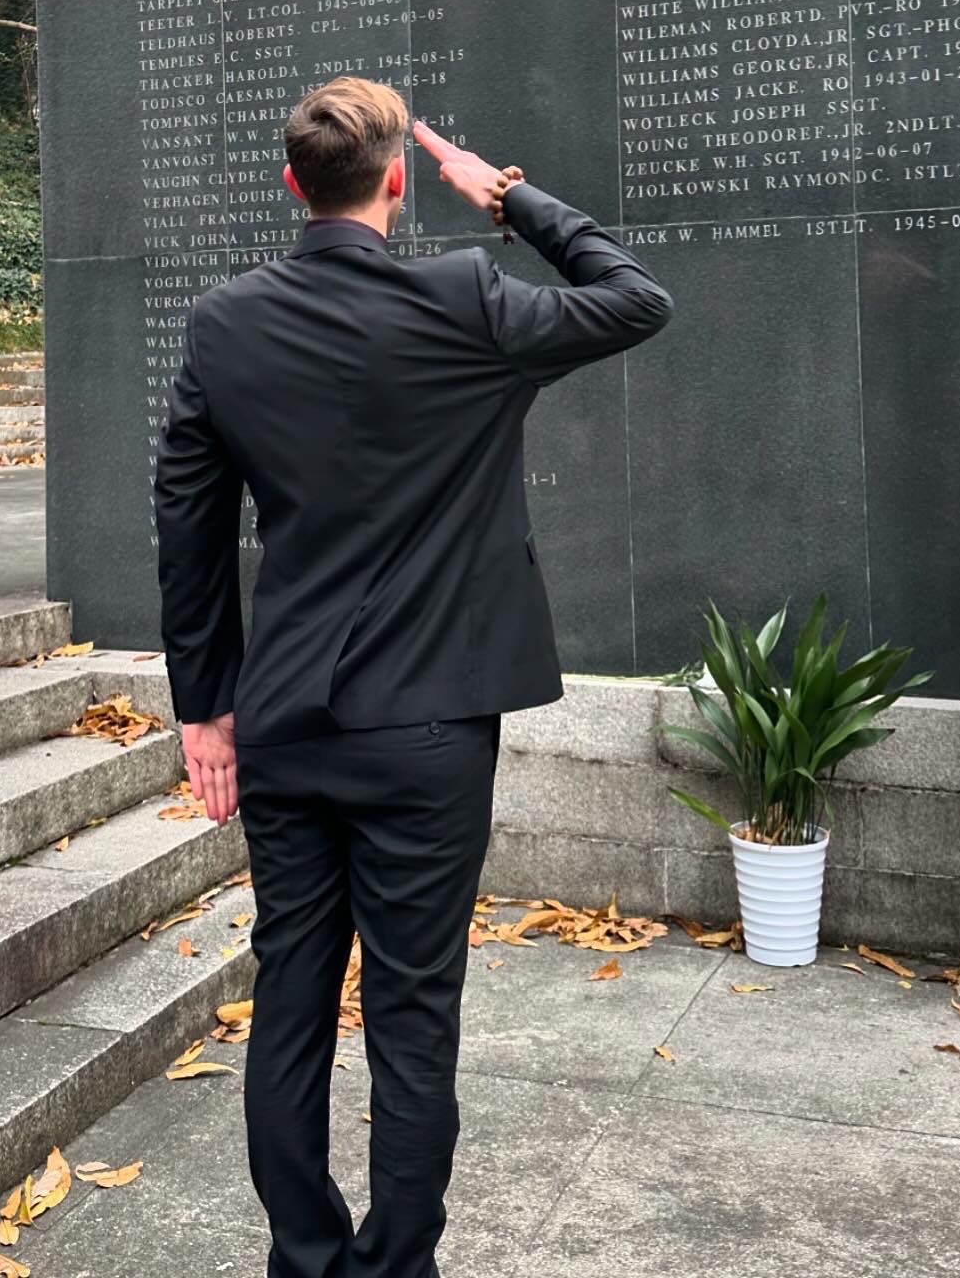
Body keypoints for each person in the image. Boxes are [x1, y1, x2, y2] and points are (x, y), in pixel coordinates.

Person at [152, 76, 673, 1278]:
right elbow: (633, 297)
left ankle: (305, 1258)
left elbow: (187, 524)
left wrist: (203, 709)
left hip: (282, 720)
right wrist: (504, 194)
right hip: (432, 727)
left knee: (289, 997)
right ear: (397, 180)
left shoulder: (224, 324)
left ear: (294, 186)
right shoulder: (468, 298)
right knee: (412, 1012)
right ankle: (394, 1268)